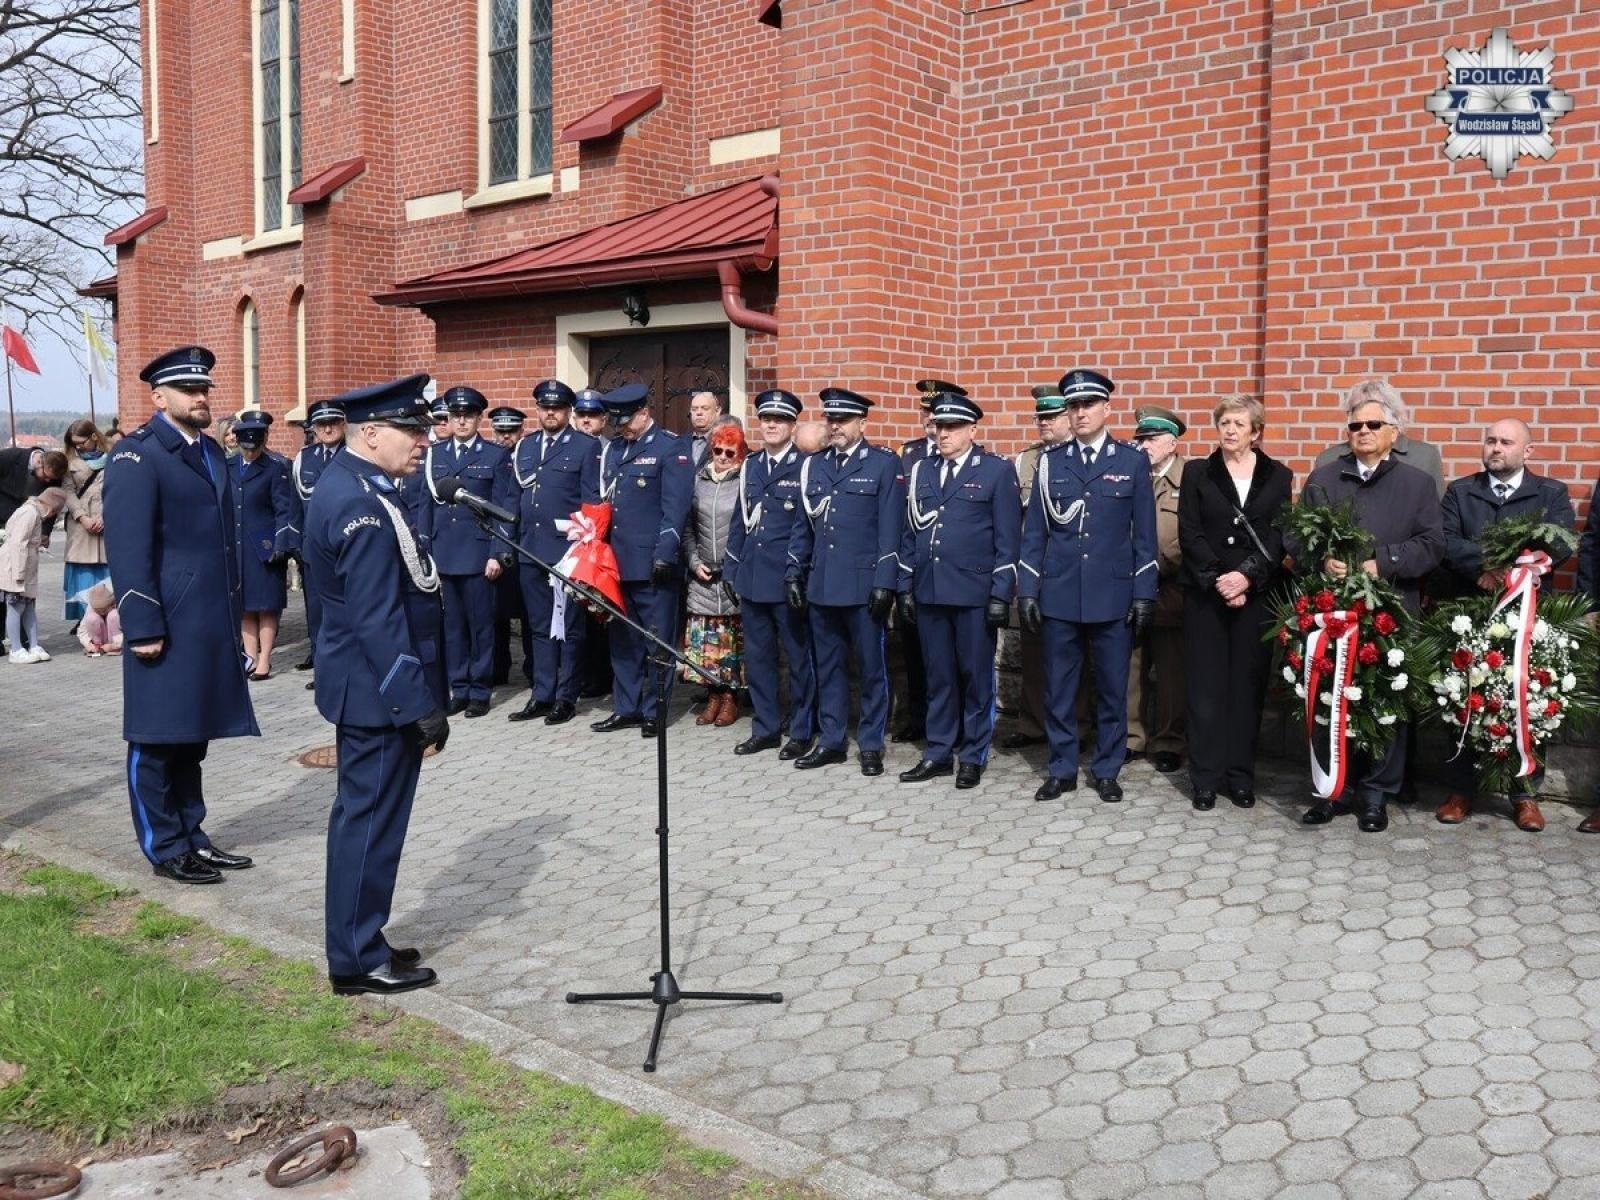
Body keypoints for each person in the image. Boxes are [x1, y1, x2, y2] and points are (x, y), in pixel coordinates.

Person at [300, 374, 448, 996]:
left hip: (369, 686)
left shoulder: (360, 483)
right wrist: (417, 704)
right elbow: (377, 618)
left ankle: (365, 935)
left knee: (372, 820)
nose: (424, 441)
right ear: (370, 433)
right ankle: (356, 959)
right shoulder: (359, 502)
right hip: (375, 691)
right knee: (369, 823)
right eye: (411, 431)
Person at [103, 345, 259, 884]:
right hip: (164, 623)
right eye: (188, 390)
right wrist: (142, 624)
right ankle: (163, 844)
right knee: (155, 738)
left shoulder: (212, 452)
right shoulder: (136, 456)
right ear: (159, 396)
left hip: (206, 622)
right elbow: (127, 549)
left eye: (204, 389)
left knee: (191, 738)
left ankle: (193, 835)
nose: (200, 397)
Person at [1298, 388, 1444, 832]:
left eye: (1372, 425)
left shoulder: (1416, 483)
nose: (1362, 432)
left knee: (1385, 703)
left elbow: (1433, 544)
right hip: (1333, 612)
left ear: (1393, 432)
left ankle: (1377, 794)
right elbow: (1295, 538)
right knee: (1331, 699)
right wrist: (1321, 560)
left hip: (1391, 611)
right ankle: (1332, 790)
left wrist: (1382, 562)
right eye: (1355, 426)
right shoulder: (1324, 478)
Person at [1018, 369, 1156, 804]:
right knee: (1060, 687)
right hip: (1059, 593)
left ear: (1105, 409)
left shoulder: (1131, 461)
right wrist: (1027, 588)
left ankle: (1107, 767)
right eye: (1073, 406)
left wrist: (1143, 594)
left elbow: (1145, 537)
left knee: (1113, 688)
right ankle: (1061, 767)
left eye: (1087, 405)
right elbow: (1035, 533)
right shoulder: (1051, 463)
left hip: (1112, 595)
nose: (1079, 413)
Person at [1435, 418, 1575, 832]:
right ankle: (1461, 790)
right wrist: (1487, 566)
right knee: (1463, 698)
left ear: (1526, 451)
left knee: (1529, 700)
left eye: (1506, 442)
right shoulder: (1461, 491)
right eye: (1491, 440)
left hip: (1529, 615)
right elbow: (1446, 540)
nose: (1496, 448)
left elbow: (1562, 540)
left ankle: (1525, 795)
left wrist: (1516, 570)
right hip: (1469, 609)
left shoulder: (1551, 493)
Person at [895, 391, 1021, 789]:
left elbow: (1007, 539)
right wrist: (905, 586)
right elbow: (909, 533)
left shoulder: (996, 471)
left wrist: (1001, 593)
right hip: (930, 588)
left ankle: (972, 754)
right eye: (938, 426)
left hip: (973, 592)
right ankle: (938, 751)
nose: (942, 434)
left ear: (972, 429)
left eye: (951, 427)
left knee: (974, 675)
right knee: (939, 676)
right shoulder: (922, 470)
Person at [1177, 396, 1293, 810]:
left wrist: (1246, 576)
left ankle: (1240, 776)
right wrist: (1219, 579)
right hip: (1206, 595)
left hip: (1256, 596)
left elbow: (1279, 537)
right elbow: (1189, 532)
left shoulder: (1278, 476)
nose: (1230, 430)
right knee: (1205, 689)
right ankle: (1205, 777)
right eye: (1224, 422)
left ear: (1256, 432)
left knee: (1247, 687)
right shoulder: (1197, 472)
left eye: (1239, 424)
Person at [785, 386, 905, 776]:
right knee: (829, 667)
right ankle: (833, 740)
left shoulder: (883, 464)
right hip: (822, 584)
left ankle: (871, 743)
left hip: (863, 585)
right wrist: (794, 572)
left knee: (872, 669)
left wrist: (885, 581)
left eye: (843, 420)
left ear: (862, 423)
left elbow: (892, 529)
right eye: (831, 420)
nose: (835, 427)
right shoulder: (814, 465)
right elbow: (805, 525)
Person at [591, 383, 694, 737]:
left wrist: (665, 554)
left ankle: (656, 710)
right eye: (616, 421)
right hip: (615, 564)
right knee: (622, 641)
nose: (619, 427)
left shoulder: (670, 448)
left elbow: (675, 509)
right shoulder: (615, 449)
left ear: (644, 413)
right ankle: (627, 707)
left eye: (625, 420)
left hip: (653, 565)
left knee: (656, 641)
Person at [726, 389, 817, 758]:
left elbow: (806, 526)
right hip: (752, 577)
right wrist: (732, 567)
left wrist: (797, 572)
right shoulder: (751, 465)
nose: (772, 426)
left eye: (779, 420)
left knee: (798, 659)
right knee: (758, 659)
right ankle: (764, 727)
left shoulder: (806, 465)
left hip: (787, 579)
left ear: (793, 425)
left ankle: (801, 729)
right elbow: (740, 520)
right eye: (766, 419)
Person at [418, 385, 517, 718]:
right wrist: (425, 550)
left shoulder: (495, 455)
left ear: (478, 418)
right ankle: (458, 687)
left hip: (478, 556)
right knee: (453, 628)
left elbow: (503, 507)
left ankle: (479, 691)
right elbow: (426, 507)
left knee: (481, 627)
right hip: (444, 553)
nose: (461, 422)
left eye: (468, 416)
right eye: (456, 416)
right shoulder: (435, 454)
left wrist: (497, 552)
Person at [507, 380, 601, 725]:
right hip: (530, 549)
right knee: (539, 627)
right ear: (538, 410)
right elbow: (513, 498)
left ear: (568, 412)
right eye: (545, 407)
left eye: (558, 408)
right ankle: (541, 693)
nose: (551, 413)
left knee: (571, 628)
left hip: (566, 551)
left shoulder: (584, 447)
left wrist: (585, 547)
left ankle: (566, 695)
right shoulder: (527, 446)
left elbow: (591, 501)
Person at [1000, 385, 1068, 749]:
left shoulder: (1078, 456)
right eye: (1039, 417)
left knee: (1075, 656)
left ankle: (1078, 727)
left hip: (1070, 569)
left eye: (1051, 417)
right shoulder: (1024, 460)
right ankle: (1032, 725)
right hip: (1033, 570)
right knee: (1032, 650)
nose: (1043, 423)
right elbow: (1013, 520)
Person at [1127, 406, 1189, 774]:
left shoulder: (1189, 478)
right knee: (1130, 666)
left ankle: (1169, 741)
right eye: (1141, 439)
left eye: (1151, 439)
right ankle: (1131, 738)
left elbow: (1187, 538)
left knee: (1171, 672)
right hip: (1130, 588)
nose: (1144, 445)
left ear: (1172, 442)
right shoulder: (1131, 476)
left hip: (1171, 589)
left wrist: (1155, 567)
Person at [892, 381, 951, 744]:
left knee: (948, 657)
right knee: (913, 651)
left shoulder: (965, 454)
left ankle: (950, 725)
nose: (929, 419)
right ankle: (918, 719)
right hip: (912, 564)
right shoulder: (908, 453)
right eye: (925, 412)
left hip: (945, 567)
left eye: (935, 413)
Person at [684, 421, 748, 725]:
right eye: (718, 450)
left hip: (730, 574)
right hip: (703, 574)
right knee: (707, 644)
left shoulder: (744, 482)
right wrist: (694, 561)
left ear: (739, 454)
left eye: (729, 451)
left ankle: (730, 698)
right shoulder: (699, 480)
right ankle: (711, 696)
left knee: (730, 643)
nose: (722, 456)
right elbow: (688, 528)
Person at [229, 410, 299, 680]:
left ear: (263, 441)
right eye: (246, 448)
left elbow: (284, 509)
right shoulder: (229, 465)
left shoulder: (275, 467)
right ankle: (251, 656)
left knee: (267, 605)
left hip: (265, 546)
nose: (250, 453)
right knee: (245, 605)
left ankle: (265, 660)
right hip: (238, 547)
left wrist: (281, 543)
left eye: (255, 447)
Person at [292, 400, 348, 679]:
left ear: (343, 424)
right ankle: (323, 668)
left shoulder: (353, 453)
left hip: (347, 546)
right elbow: (295, 504)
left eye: (333, 422)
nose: (327, 429)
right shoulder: (306, 457)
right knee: (316, 612)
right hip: (314, 549)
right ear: (313, 428)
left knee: (347, 609)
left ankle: (348, 667)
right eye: (321, 424)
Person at [1313, 379, 1445, 498]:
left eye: (1374, 423)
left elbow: (1435, 509)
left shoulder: (1424, 456)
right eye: (1357, 412)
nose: (1364, 429)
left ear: (1394, 416)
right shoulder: (1329, 459)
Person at [572, 388, 614, 699]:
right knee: (575, 615)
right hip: (571, 538)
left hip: (604, 541)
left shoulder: (612, 450)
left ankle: (603, 676)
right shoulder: (565, 448)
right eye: (582, 414)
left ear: (604, 418)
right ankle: (581, 675)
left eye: (593, 415)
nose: (587, 420)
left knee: (602, 613)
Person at [487, 406, 533, 687]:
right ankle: (498, 669)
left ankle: (532, 671)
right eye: (500, 431)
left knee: (529, 615)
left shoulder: (528, 456)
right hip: (500, 543)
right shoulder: (493, 458)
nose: (505, 437)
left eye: (511, 431)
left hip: (525, 545)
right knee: (497, 614)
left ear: (520, 431)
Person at [1, 486, 68, 663]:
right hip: (16, 568)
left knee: (29, 606)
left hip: (26, 568)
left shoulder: (33, 512)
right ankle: (16, 649)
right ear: (51, 507)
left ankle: (33, 644)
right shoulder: (29, 513)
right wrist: (19, 573)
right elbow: (18, 544)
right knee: (15, 607)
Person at [61, 419, 112, 623]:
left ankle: (111, 619)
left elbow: (118, 489)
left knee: (108, 571)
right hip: (81, 525)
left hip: (106, 520)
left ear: (93, 436)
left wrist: (104, 516)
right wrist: (83, 517)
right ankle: (86, 620)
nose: (78, 446)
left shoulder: (112, 458)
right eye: (75, 443)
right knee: (83, 573)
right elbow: (68, 492)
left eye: (81, 442)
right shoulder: (69, 462)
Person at [0, 445, 67, 528]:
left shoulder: (55, 474)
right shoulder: (9, 456)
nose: (48, 481)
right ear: (39, 462)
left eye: (50, 478)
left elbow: (51, 507)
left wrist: (45, 533)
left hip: (30, 525)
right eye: (46, 476)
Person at [77, 579, 122, 655]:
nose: (102, 613)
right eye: (98, 611)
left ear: (112, 604)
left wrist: (114, 646)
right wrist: (88, 644)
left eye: (104, 610)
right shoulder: (91, 608)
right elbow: (82, 631)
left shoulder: (117, 606)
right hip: (100, 640)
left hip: (117, 641)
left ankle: (117, 647)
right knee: (92, 618)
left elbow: (131, 630)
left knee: (114, 615)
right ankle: (98, 645)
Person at [687, 390, 722, 468]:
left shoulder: (727, 441)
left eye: (705, 408)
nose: (699, 413)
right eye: (694, 409)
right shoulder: (680, 442)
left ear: (717, 411)